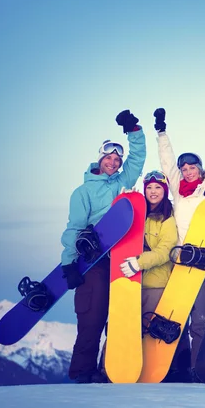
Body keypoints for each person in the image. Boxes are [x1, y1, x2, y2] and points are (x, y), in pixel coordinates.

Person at [61, 110, 146, 384]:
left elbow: (137, 159)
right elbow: (74, 228)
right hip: (93, 261)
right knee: (92, 318)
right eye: (109, 158)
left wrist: (133, 130)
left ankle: (108, 369)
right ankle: (81, 372)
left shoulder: (121, 181)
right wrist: (69, 262)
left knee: (120, 318)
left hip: (120, 256)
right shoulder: (82, 192)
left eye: (117, 160)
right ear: (100, 159)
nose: (113, 162)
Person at [153, 107, 205, 373]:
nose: (187, 171)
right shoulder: (179, 191)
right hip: (178, 261)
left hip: (202, 261)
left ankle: (200, 368)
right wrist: (161, 133)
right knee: (175, 316)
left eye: (191, 167)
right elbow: (167, 164)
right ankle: (176, 368)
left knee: (201, 319)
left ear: (200, 168)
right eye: (184, 169)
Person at [118, 170, 192, 382]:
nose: (153, 191)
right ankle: (125, 370)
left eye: (158, 187)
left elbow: (165, 250)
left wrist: (139, 263)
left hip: (156, 283)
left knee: (155, 331)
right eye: (149, 187)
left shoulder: (168, 218)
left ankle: (169, 372)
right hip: (131, 282)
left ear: (164, 190)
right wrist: (126, 202)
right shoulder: (138, 213)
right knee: (131, 329)